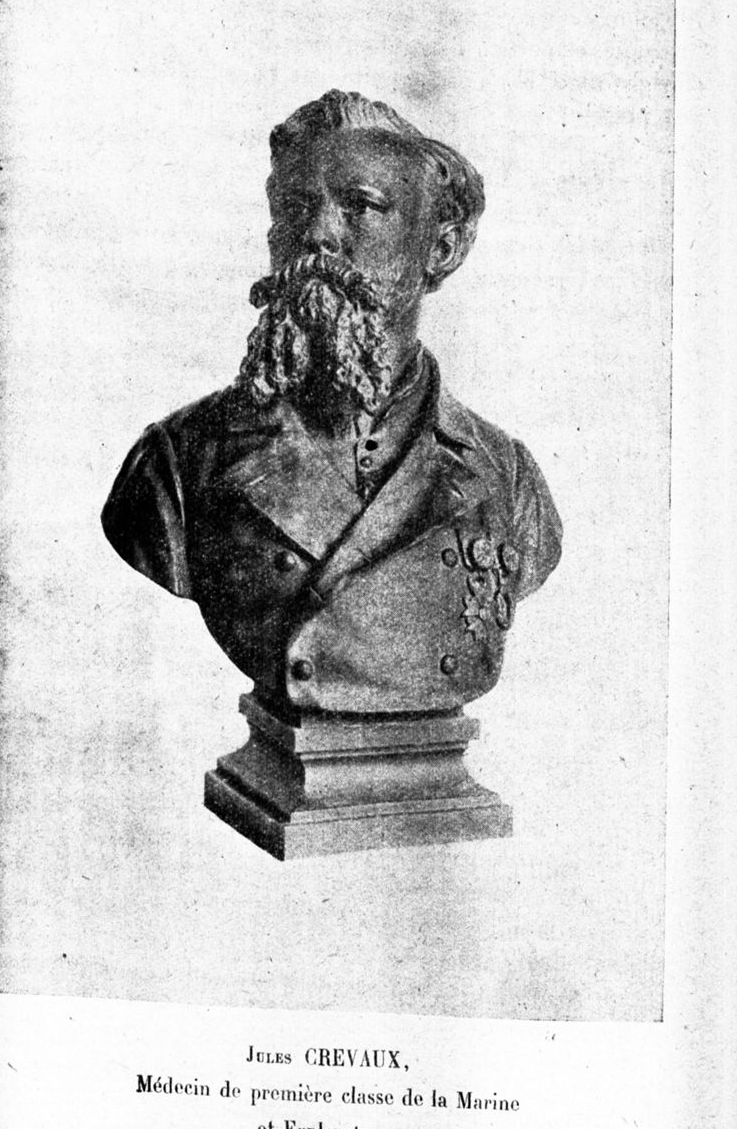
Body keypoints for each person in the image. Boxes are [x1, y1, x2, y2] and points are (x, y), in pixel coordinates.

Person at [102, 90, 562, 717]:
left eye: (360, 206)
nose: (318, 234)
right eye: (296, 207)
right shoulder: (178, 464)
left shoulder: (508, 478)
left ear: (442, 248)